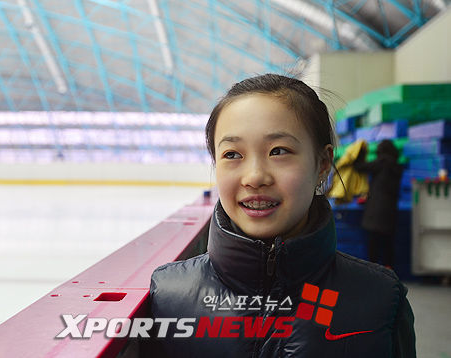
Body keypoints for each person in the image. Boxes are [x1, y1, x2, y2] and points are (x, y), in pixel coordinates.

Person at [148, 74, 415, 357]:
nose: (254, 177)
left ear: (323, 163)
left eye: (278, 151)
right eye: (232, 155)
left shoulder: (380, 300)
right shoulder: (168, 296)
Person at [353, 139, 403, 268]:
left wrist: (361, 151)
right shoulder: (397, 166)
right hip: (391, 210)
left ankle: (374, 270)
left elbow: (359, 167)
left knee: (373, 243)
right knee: (388, 243)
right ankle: (389, 269)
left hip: (376, 210)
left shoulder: (382, 162)